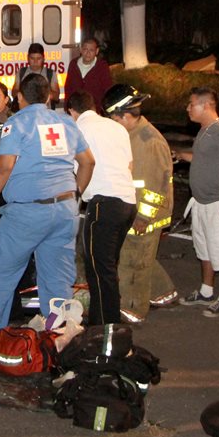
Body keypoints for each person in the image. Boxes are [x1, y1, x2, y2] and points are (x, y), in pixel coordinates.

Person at [0, 73, 95, 355]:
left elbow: (4, 167)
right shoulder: (66, 122)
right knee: (57, 280)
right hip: (65, 211)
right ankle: (59, 342)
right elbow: (87, 162)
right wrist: (74, 194)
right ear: (48, 97)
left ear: (20, 97)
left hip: (28, 213)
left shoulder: (17, 123)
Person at [104, 83, 178, 323]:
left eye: (113, 118)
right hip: (134, 210)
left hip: (145, 215)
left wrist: (143, 217)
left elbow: (154, 188)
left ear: (125, 116)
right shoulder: (132, 135)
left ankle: (132, 309)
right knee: (145, 256)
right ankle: (163, 293)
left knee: (134, 262)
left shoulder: (149, 143)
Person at [66, 90, 134, 326]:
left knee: (98, 271)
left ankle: (105, 328)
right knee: (108, 268)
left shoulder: (77, 130)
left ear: (72, 111)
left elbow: (78, 167)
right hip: (127, 203)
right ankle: (103, 319)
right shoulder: (116, 127)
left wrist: (74, 197)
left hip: (102, 205)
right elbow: (129, 164)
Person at [175, 87, 219, 316]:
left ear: (207, 106)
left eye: (191, 104)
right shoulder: (204, 130)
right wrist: (184, 156)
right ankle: (206, 291)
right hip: (201, 201)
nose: (188, 108)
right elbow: (205, 158)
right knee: (204, 248)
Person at [63, 37, 113, 111]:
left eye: (91, 50)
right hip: (76, 110)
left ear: (97, 51)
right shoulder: (73, 64)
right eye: (85, 49)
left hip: (95, 111)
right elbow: (68, 87)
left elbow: (107, 89)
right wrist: (67, 108)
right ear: (81, 50)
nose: (88, 53)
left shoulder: (102, 66)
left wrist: (101, 110)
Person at [11, 42, 59, 107]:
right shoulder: (21, 72)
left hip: (44, 113)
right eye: (32, 58)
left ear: (43, 58)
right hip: (26, 112)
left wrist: (41, 93)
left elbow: (56, 96)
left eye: (38, 58)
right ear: (27, 58)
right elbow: (14, 92)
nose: (35, 62)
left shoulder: (50, 73)